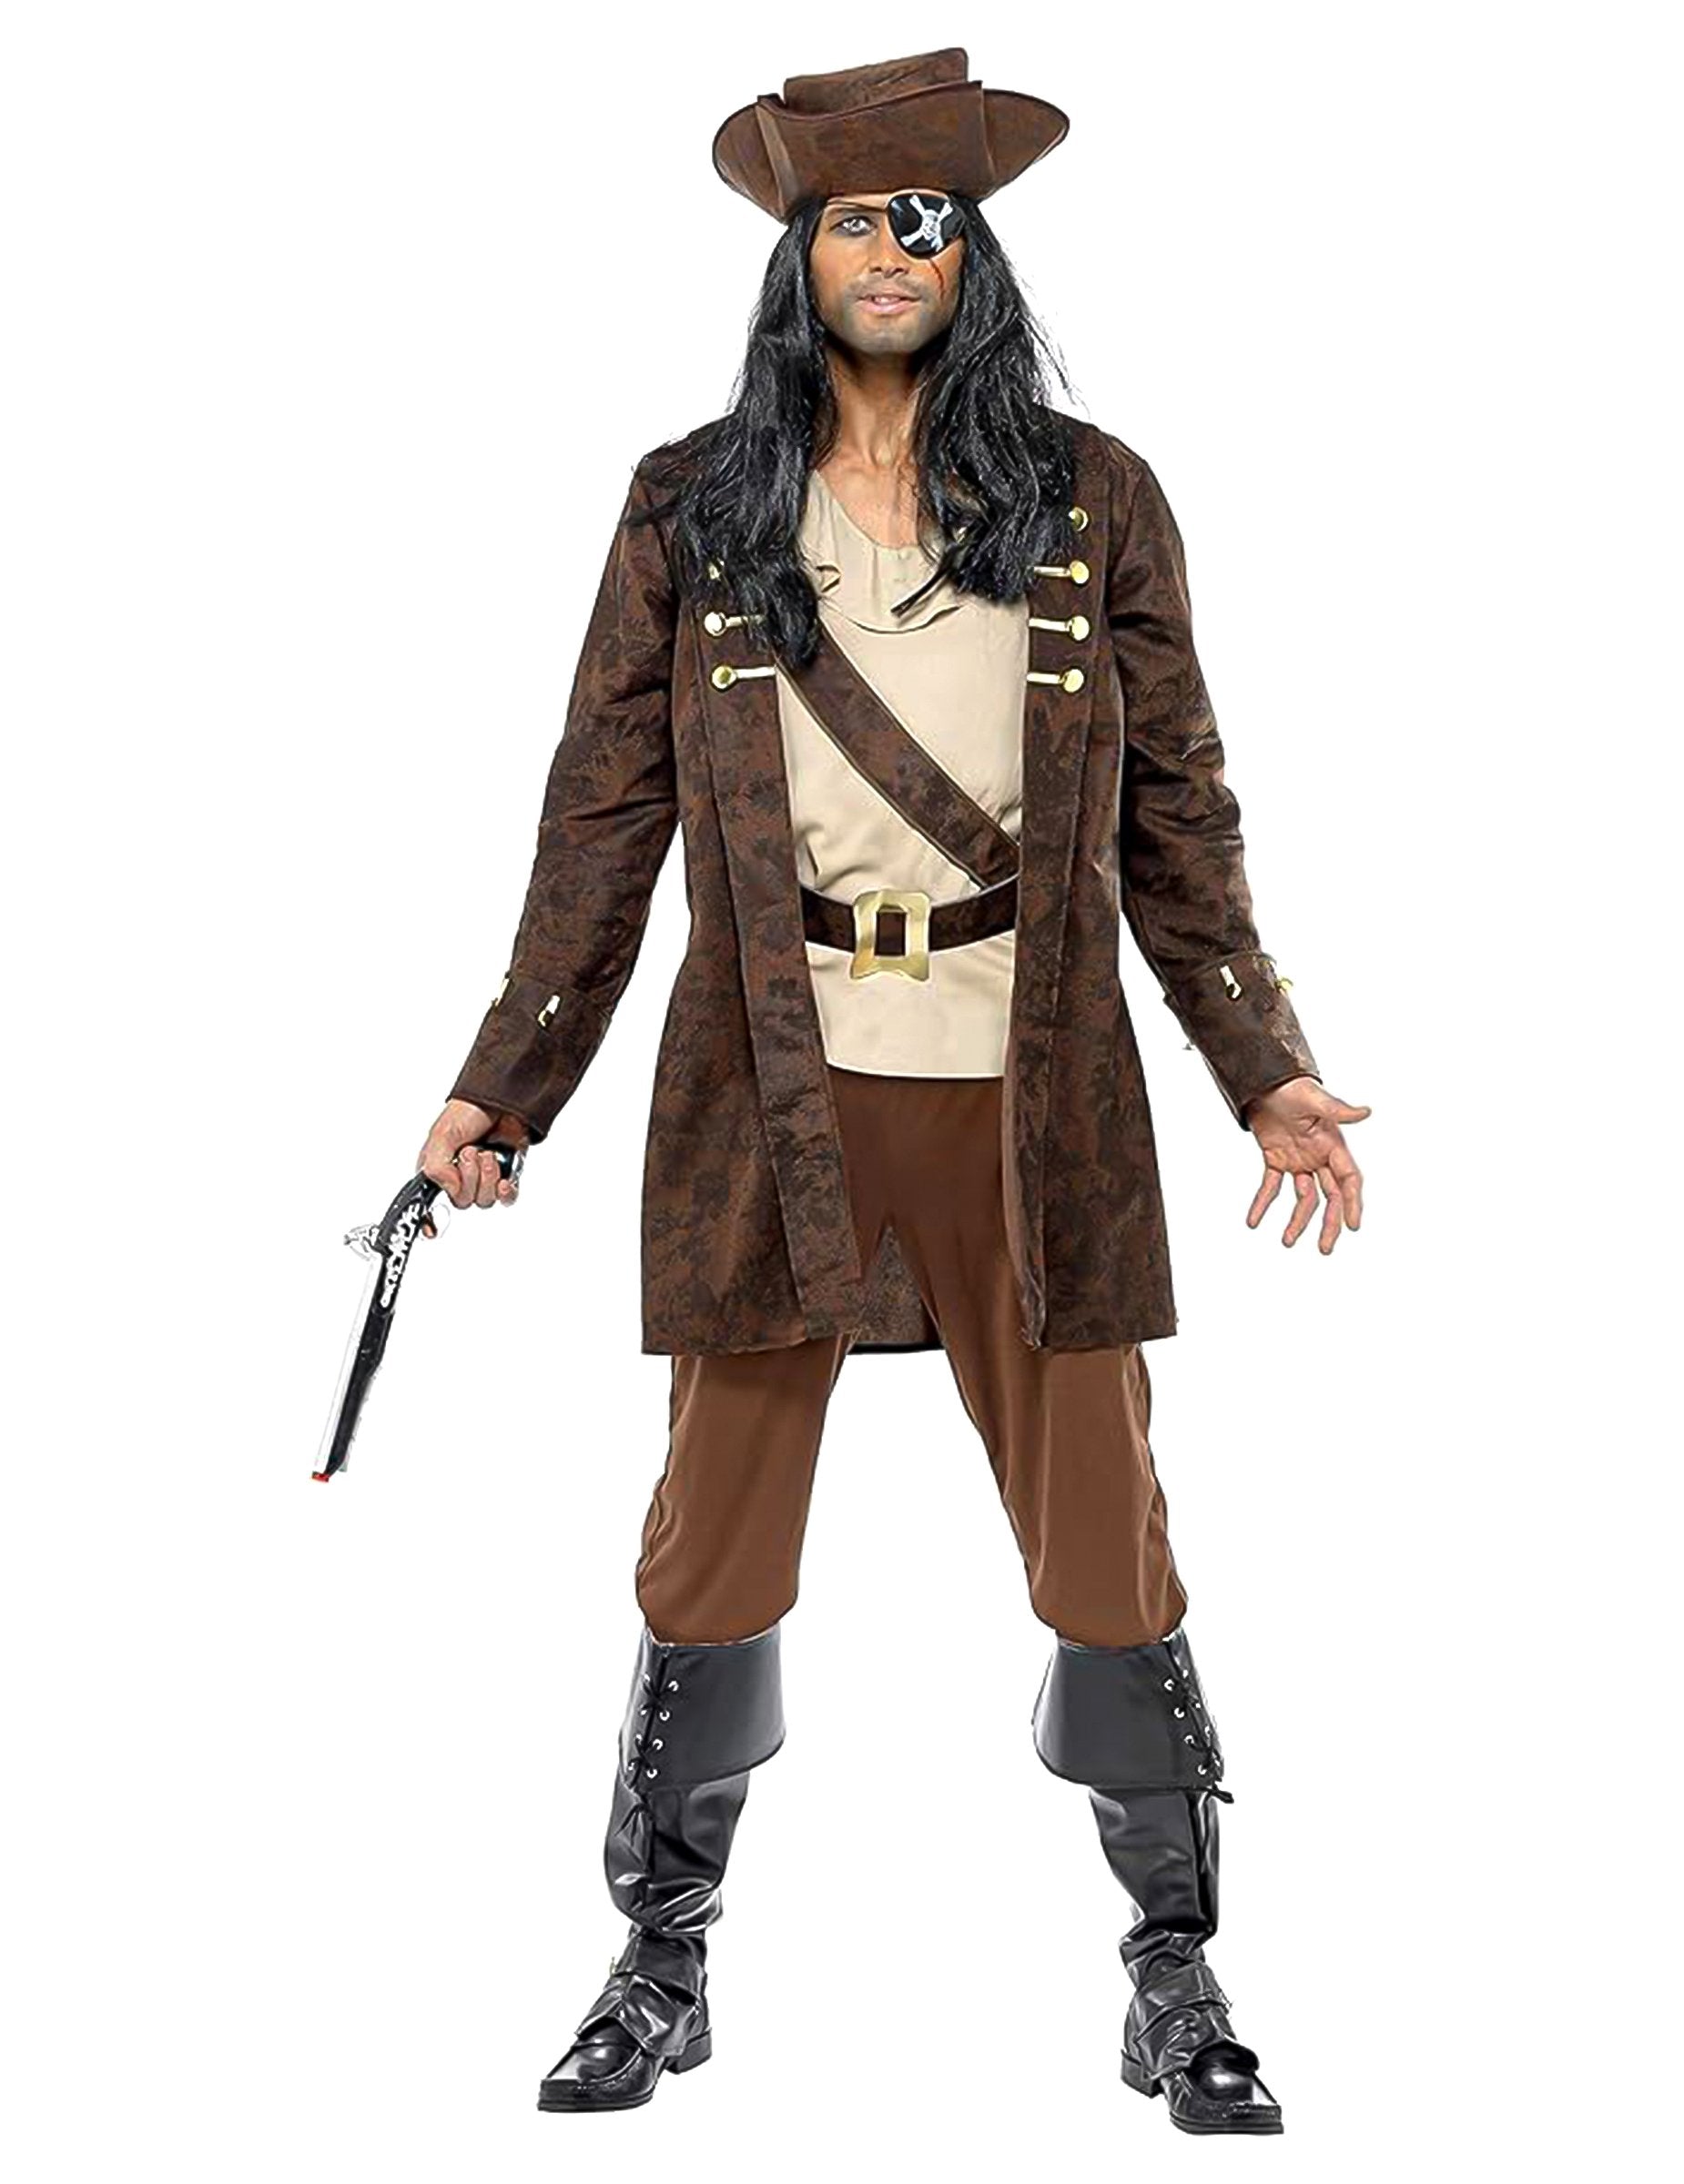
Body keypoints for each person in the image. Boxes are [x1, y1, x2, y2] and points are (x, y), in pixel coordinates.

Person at [415, 48, 1369, 2137]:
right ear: (800, 255)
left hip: (1036, 1099)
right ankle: (661, 1961)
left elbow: (1181, 809)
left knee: (1108, 1548)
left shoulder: (1092, 496)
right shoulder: (690, 502)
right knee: (713, 1548)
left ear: (970, 255)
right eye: (851, 217)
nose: (887, 250)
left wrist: (1266, 1066)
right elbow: (603, 814)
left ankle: (1173, 1970)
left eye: (922, 219)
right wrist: (505, 1086)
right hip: (774, 1096)